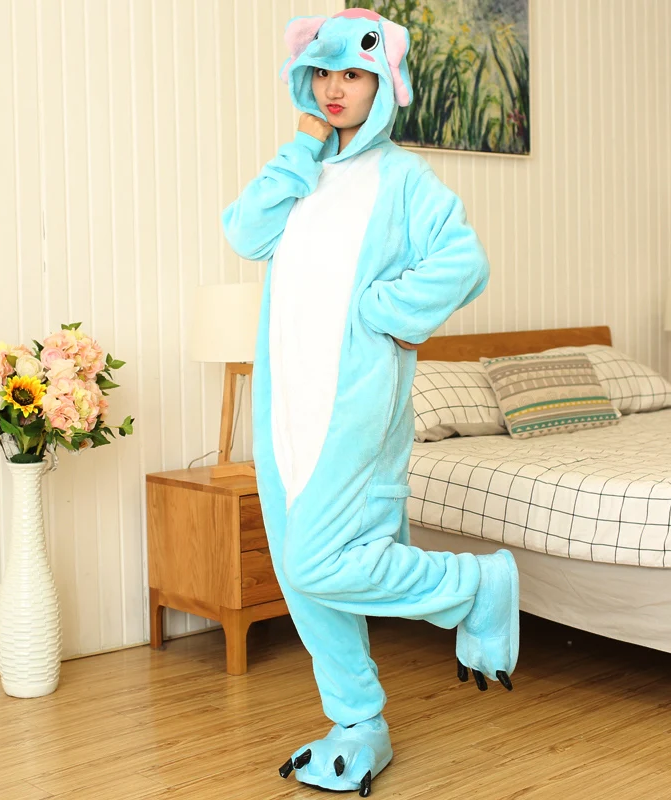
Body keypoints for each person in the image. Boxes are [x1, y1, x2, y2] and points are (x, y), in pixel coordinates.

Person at [221, 8, 518, 796]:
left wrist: (382, 312)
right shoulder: (304, 171)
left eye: (351, 74)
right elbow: (244, 233)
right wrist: (301, 145)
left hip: (353, 403)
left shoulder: (404, 179)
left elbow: (464, 261)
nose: (335, 88)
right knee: (300, 574)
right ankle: (357, 722)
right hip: (286, 402)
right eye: (322, 73)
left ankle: (475, 586)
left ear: (383, 83)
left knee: (319, 559)